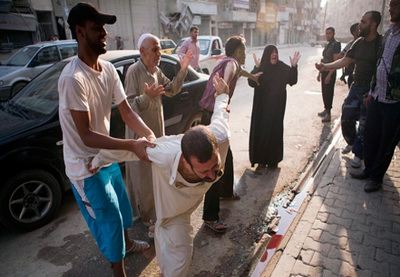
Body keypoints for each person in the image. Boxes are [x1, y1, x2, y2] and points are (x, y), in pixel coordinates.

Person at [89, 75, 230, 277]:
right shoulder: (164, 153)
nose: (212, 175)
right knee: (180, 256)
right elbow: (130, 151)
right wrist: (97, 161)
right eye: (204, 170)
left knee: (172, 253)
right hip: (172, 214)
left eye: (215, 166)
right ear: (184, 162)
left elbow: (220, 116)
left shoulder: (221, 138)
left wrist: (222, 94)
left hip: (189, 204)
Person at [58, 3, 156, 277]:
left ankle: (127, 244)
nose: (104, 34)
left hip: (105, 156)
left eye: (104, 28)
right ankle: (119, 271)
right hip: (85, 166)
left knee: (123, 209)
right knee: (110, 221)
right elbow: (86, 135)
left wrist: (147, 135)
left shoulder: (109, 70)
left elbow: (127, 112)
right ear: (79, 32)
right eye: (96, 28)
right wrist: (132, 146)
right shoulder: (73, 79)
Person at [124, 33, 193, 227]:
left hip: (156, 132)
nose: (159, 53)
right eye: (154, 49)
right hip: (140, 136)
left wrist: (183, 69)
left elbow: (171, 89)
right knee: (143, 178)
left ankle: (154, 213)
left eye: (159, 49)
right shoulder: (133, 72)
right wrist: (147, 96)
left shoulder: (156, 71)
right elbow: (128, 107)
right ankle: (146, 218)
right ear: (142, 52)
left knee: (155, 175)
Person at [199, 36, 262, 232]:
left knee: (227, 156)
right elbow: (230, 73)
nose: (245, 53)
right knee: (214, 163)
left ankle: (225, 192)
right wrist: (223, 94)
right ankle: (210, 216)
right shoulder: (231, 63)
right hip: (213, 115)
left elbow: (240, 71)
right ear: (236, 51)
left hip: (213, 113)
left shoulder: (230, 63)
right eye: (243, 50)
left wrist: (254, 77)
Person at [315, 11, 382, 169]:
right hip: (356, 87)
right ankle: (353, 143)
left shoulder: (380, 43)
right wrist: (325, 67)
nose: (360, 24)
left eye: (364, 22)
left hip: (370, 91)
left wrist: (374, 91)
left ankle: (359, 154)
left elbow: (383, 70)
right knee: (346, 115)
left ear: (373, 25)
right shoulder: (359, 42)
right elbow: (345, 60)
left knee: (365, 124)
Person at [350, 0, 400, 193]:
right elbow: (379, 64)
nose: (391, 8)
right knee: (370, 136)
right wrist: (372, 91)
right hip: (377, 96)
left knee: (385, 142)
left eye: (395, 5)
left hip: (394, 101)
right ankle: (368, 170)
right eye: (390, 5)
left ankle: (376, 178)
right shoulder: (389, 34)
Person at [248, 45, 300, 170]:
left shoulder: (281, 67)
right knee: (261, 132)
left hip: (276, 108)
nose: (274, 54)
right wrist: (256, 68)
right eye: (271, 52)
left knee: (274, 132)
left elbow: (292, 80)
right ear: (267, 55)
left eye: (275, 52)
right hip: (262, 108)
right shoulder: (262, 67)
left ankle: (273, 160)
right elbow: (251, 82)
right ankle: (260, 159)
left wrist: (294, 67)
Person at [317, 26, 341, 122]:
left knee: (329, 92)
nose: (327, 35)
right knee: (324, 92)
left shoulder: (336, 44)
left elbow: (336, 61)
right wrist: (320, 73)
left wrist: (329, 75)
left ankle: (328, 113)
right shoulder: (327, 44)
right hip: (324, 70)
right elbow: (323, 60)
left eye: (329, 33)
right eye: (326, 33)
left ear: (334, 34)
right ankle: (326, 109)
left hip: (330, 71)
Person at [339, 23, 359, 88]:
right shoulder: (351, 44)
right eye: (358, 29)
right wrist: (352, 60)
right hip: (353, 75)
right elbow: (340, 56)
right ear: (354, 32)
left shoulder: (365, 42)